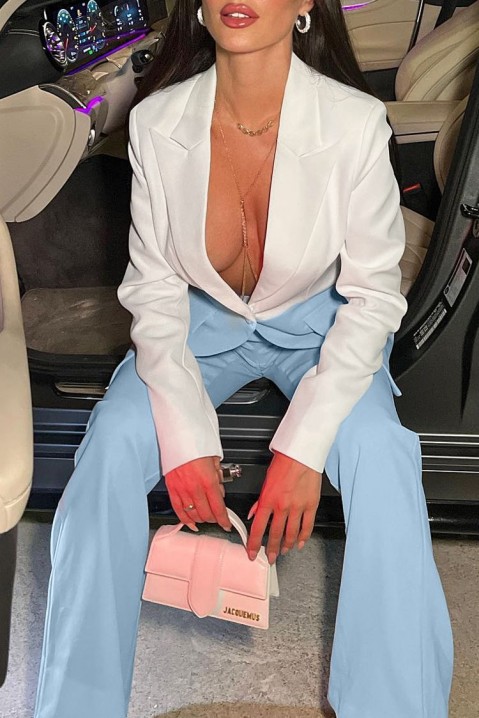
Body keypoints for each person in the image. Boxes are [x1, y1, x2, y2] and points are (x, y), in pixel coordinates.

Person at [33, 1, 454, 716]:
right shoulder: (156, 122)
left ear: (304, 6)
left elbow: (373, 297)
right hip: (197, 321)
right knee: (111, 446)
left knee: (381, 451)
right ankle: (76, 704)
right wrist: (186, 439)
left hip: (325, 321)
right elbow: (154, 288)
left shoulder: (353, 123)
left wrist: (301, 450)